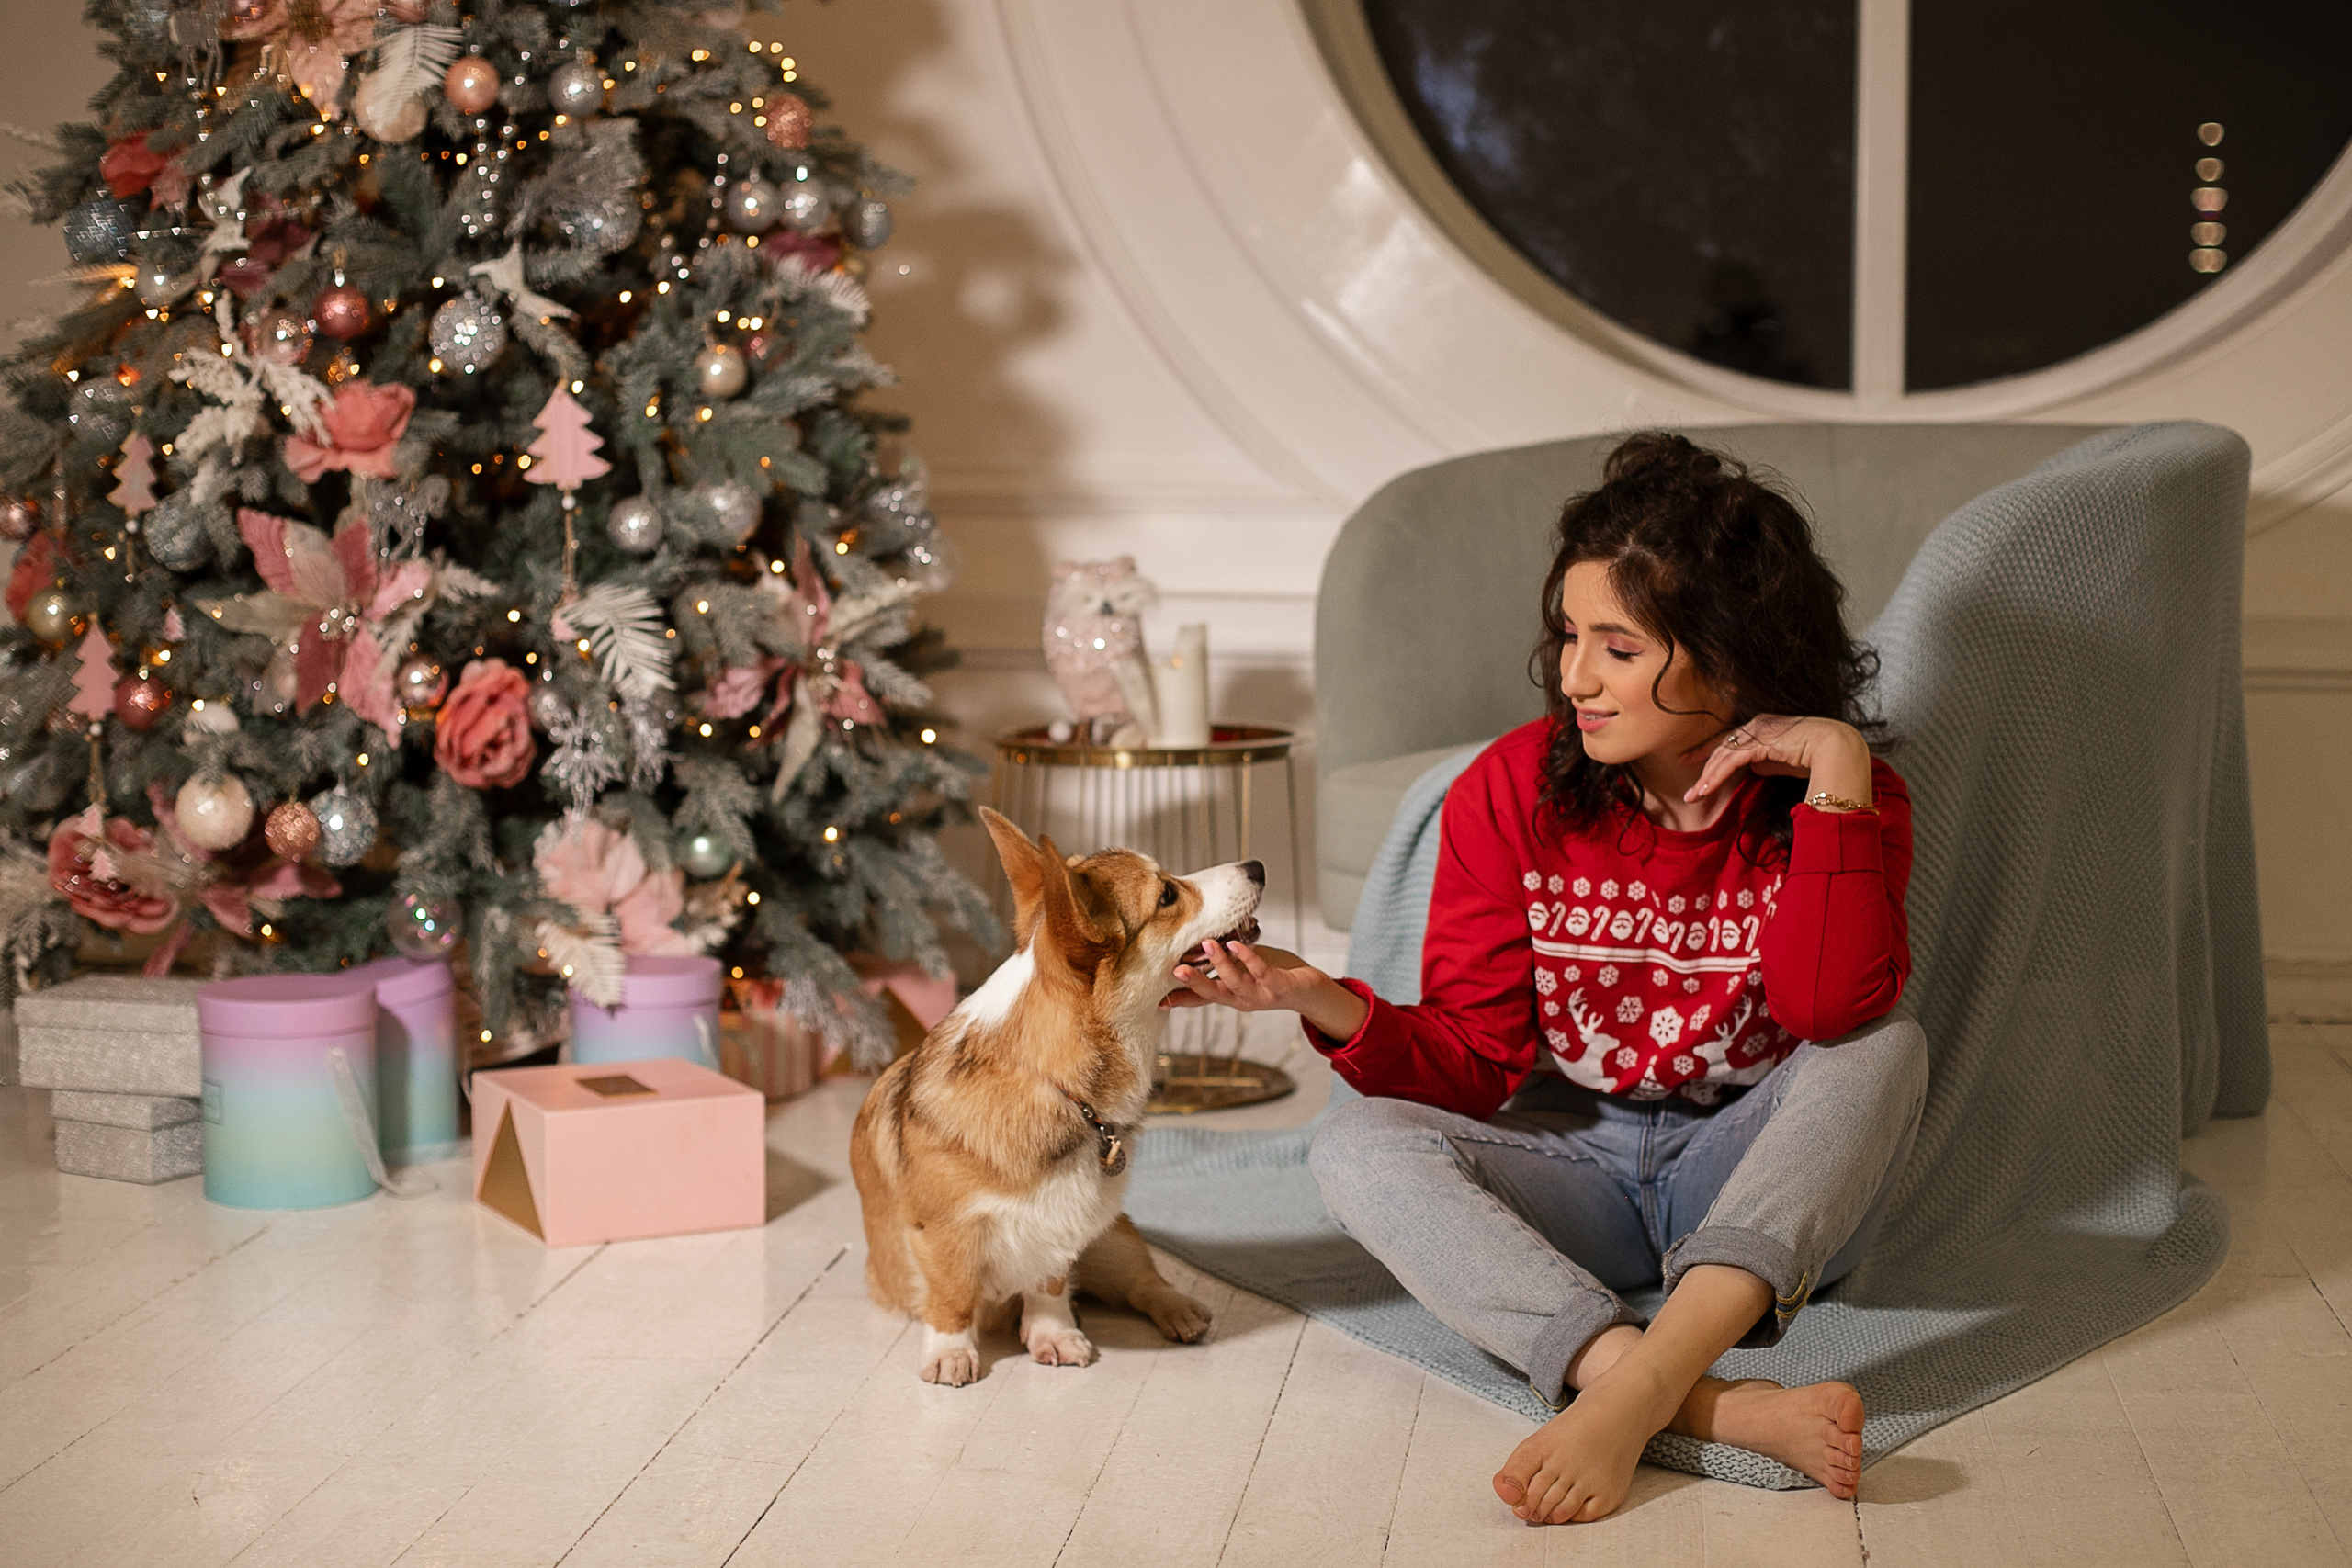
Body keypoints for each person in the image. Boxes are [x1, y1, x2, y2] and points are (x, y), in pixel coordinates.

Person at [1164, 432, 1926, 1524]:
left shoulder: (1849, 800)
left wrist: (1839, 769)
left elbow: (1826, 1008)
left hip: (1755, 1184)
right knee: (1354, 1143)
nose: (1574, 678)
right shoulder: (1508, 789)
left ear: (1729, 655)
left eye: (1618, 647)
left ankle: (1638, 1393)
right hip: (1581, 1171)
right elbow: (1475, 1064)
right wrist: (1309, 993)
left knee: (1885, 1048)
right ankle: (1693, 1399)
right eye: (1570, 636)